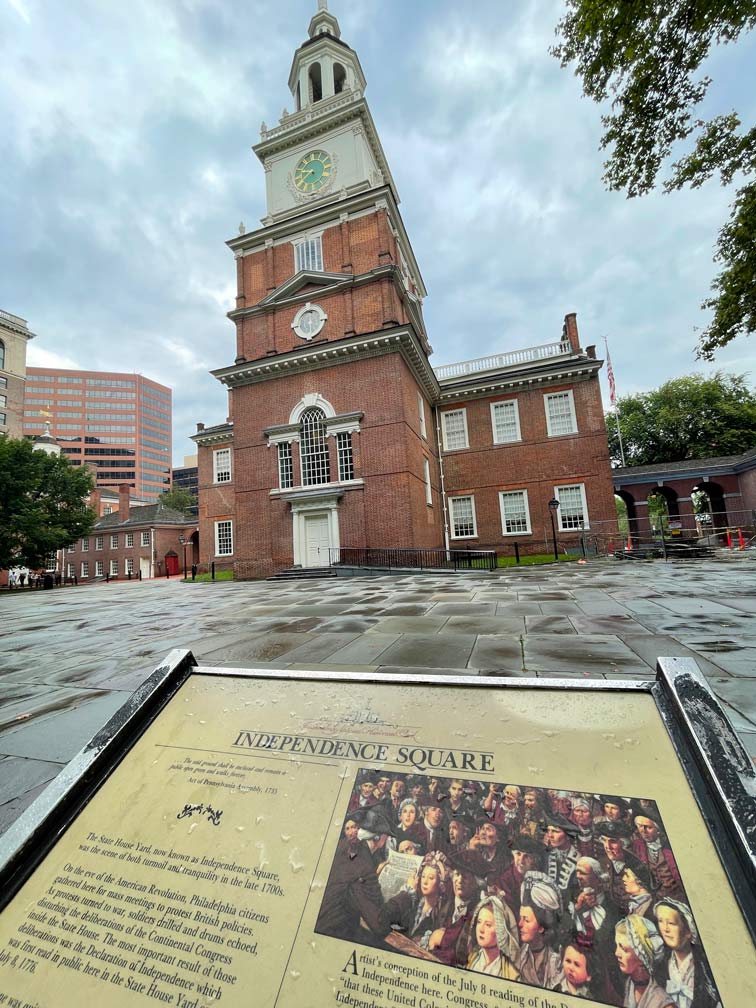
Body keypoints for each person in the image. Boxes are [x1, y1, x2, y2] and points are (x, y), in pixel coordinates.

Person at [654, 900, 721, 1008]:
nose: (665, 929)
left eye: (671, 923)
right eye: (661, 921)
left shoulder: (705, 964)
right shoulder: (660, 964)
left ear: (688, 931)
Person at [381, 852, 452, 947]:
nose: (425, 882)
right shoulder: (414, 904)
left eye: (431, 878)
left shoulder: (441, 913)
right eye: (423, 876)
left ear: (440, 883)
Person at [428, 860, 484, 967]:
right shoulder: (442, 904)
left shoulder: (479, 913)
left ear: (476, 884)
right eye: (457, 874)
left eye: (465, 877)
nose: (459, 880)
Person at [516, 873, 564, 989]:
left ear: (541, 927)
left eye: (526, 920)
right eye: (520, 918)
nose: (520, 924)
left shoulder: (556, 963)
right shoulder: (517, 957)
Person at [614, 915, 674, 1008]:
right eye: (617, 946)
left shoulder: (663, 1003)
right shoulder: (630, 984)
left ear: (642, 957)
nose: (616, 953)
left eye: (624, 949)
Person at [632, 813, 684, 903]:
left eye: (648, 827)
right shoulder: (638, 846)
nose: (643, 831)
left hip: (679, 897)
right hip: (657, 898)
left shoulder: (670, 846)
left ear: (658, 830)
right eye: (640, 826)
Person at [466, 895, 520, 980]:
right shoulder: (471, 959)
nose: (481, 929)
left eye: (488, 925)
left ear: (500, 931)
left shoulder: (511, 974)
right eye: (479, 922)